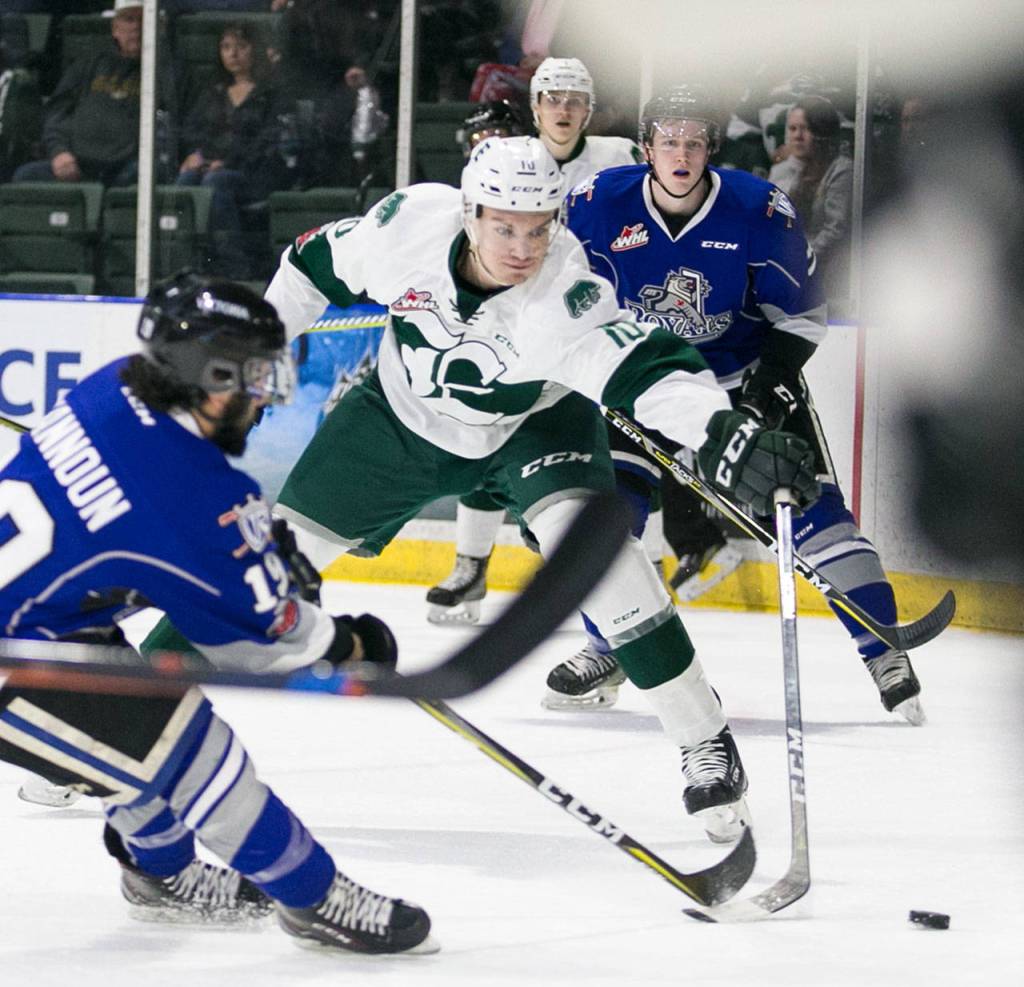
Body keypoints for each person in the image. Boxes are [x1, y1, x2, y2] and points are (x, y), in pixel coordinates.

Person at [260, 135, 820, 842]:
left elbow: (645, 370)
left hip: (535, 424)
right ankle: (124, 716)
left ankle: (703, 737)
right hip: (398, 420)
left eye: (538, 227)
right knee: (262, 568)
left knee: (607, 566)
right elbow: (310, 265)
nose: (523, 246)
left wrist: (720, 431)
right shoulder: (406, 226)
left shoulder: (567, 294)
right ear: (470, 213)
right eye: (504, 226)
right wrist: (260, 336)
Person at [0, 273, 435, 955]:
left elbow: (122, 535)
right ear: (205, 376)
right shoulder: (193, 496)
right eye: (254, 376)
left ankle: (159, 874)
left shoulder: (113, 387)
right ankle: (314, 899)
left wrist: (242, 556)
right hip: (18, 659)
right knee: (195, 748)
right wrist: (350, 643)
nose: (264, 394)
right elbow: (267, 642)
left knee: (138, 733)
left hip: (43, 622)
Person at [549, 84, 924, 726]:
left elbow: (804, 316)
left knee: (806, 507)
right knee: (605, 516)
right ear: (647, 148)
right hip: (638, 384)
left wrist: (766, 391)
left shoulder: (759, 210)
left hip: (738, 381)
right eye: (670, 140)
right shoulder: (593, 206)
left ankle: (882, 647)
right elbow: (561, 298)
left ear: (711, 149)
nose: (683, 153)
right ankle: (605, 646)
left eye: (695, 141)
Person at [426, 56, 645, 626]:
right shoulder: (510, 160)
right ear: (536, 105)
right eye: (553, 98)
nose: (564, 110)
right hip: (517, 319)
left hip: (593, 323)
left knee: (599, 453)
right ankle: (472, 563)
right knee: (488, 431)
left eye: (575, 100)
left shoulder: (620, 157)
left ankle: (612, 580)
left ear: (590, 109)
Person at [12, 0, 175, 187]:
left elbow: (173, 126)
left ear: (159, 26)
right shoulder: (89, 64)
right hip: (76, 163)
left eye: (144, 19)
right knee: (26, 176)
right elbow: (57, 113)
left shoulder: (169, 72)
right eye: (129, 19)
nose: (137, 26)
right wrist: (59, 151)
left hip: (130, 168)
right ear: (115, 28)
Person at [176, 21, 290, 279]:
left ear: (255, 50)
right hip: (212, 168)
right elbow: (193, 130)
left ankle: (234, 267)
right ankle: (187, 264)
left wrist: (228, 161)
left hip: (255, 172)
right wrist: (196, 154)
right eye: (226, 47)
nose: (233, 54)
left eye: (241, 46)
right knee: (186, 180)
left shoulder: (270, 93)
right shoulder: (212, 91)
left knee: (216, 182)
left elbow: (269, 139)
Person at [769, 95, 853, 299]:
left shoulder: (842, 169)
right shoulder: (787, 171)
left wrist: (798, 261)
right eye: (792, 129)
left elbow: (835, 230)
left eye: (805, 128)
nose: (797, 136)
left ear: (822, 132)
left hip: (828, 277)